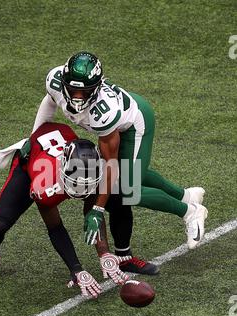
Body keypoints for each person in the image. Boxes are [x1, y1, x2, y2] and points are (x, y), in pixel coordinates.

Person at [32, 51, 208, 251]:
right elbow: (50, 101)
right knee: (133, 172)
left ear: (96, 88)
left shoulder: (104, 112)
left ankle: (190, 211)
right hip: (120, 119)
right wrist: (33, 136)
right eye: (72, 89)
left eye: (85, 91)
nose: (77, 97)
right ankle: (186, 196)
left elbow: (111, 165)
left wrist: (97, 209)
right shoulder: (55, 81)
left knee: (128, 189)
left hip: (134, 122)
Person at [0, 122, 145, 298]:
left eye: (87, 182)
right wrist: (76, 269)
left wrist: (103, 253)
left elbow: (93, 212)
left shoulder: (98, 169)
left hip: (62, 149)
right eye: (77, 182)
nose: (81, 189)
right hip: (30, 165)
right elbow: (55, 228)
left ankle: (123, 250)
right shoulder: (44, 185)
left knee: (119, 198)